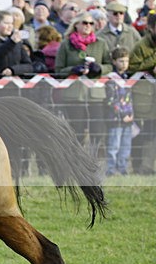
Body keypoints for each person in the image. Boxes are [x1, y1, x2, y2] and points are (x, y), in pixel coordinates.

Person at [54, 11, 111, 147]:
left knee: (97, 131)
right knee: (77, 131)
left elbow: (110, 65)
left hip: (95, 95)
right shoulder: (66, 44)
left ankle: (95, 162)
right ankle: (77, 163)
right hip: (74, 95)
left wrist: (100, 68)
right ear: (76, 25)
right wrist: (72, 70)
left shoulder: (101, 43)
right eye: (84, 23)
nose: (88, 26)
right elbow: (58, 70)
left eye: (91, 23)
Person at [129, 13, 156, 174]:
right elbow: (131, 67)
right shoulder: (140, 46)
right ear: (151, 28)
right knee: (141, 133)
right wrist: (151, 66)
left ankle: (148, 166)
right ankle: (139, 166)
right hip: (143, 98)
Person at [105, 47, 134, 176]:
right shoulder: (111, 79)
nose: (124, 64)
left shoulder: (129, 77)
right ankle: (110, 170)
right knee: (113, 145)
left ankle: (123, 169)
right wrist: (122, 115)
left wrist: (131, 114)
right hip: (115, 118)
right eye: (121, 61)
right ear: (114, 62)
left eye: (126, 61)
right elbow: (111, 100)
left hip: (128, 117)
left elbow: (130, 99)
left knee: (125, 146)